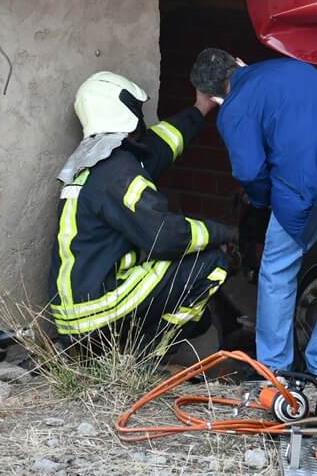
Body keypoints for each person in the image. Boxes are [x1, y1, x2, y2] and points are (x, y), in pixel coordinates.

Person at [190, 49, 317, 383]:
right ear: (240, 61)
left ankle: (275, 370)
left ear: (214, 97)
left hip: (314, 176)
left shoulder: (234, 107)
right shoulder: (289, 66)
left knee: (277, 268)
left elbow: (249, 170)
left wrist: (262, 200)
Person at [48, 71, 240, 357]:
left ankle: (131, 352)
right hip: (99, 311)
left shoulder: (93, 160)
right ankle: (148, 362)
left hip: (76, 317)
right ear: (123, 111)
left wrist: (201, 108)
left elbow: (159, 145)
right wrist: (225, 234)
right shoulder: (119, 172)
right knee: (211, 263)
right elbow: (165, 236)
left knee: (182, 279)